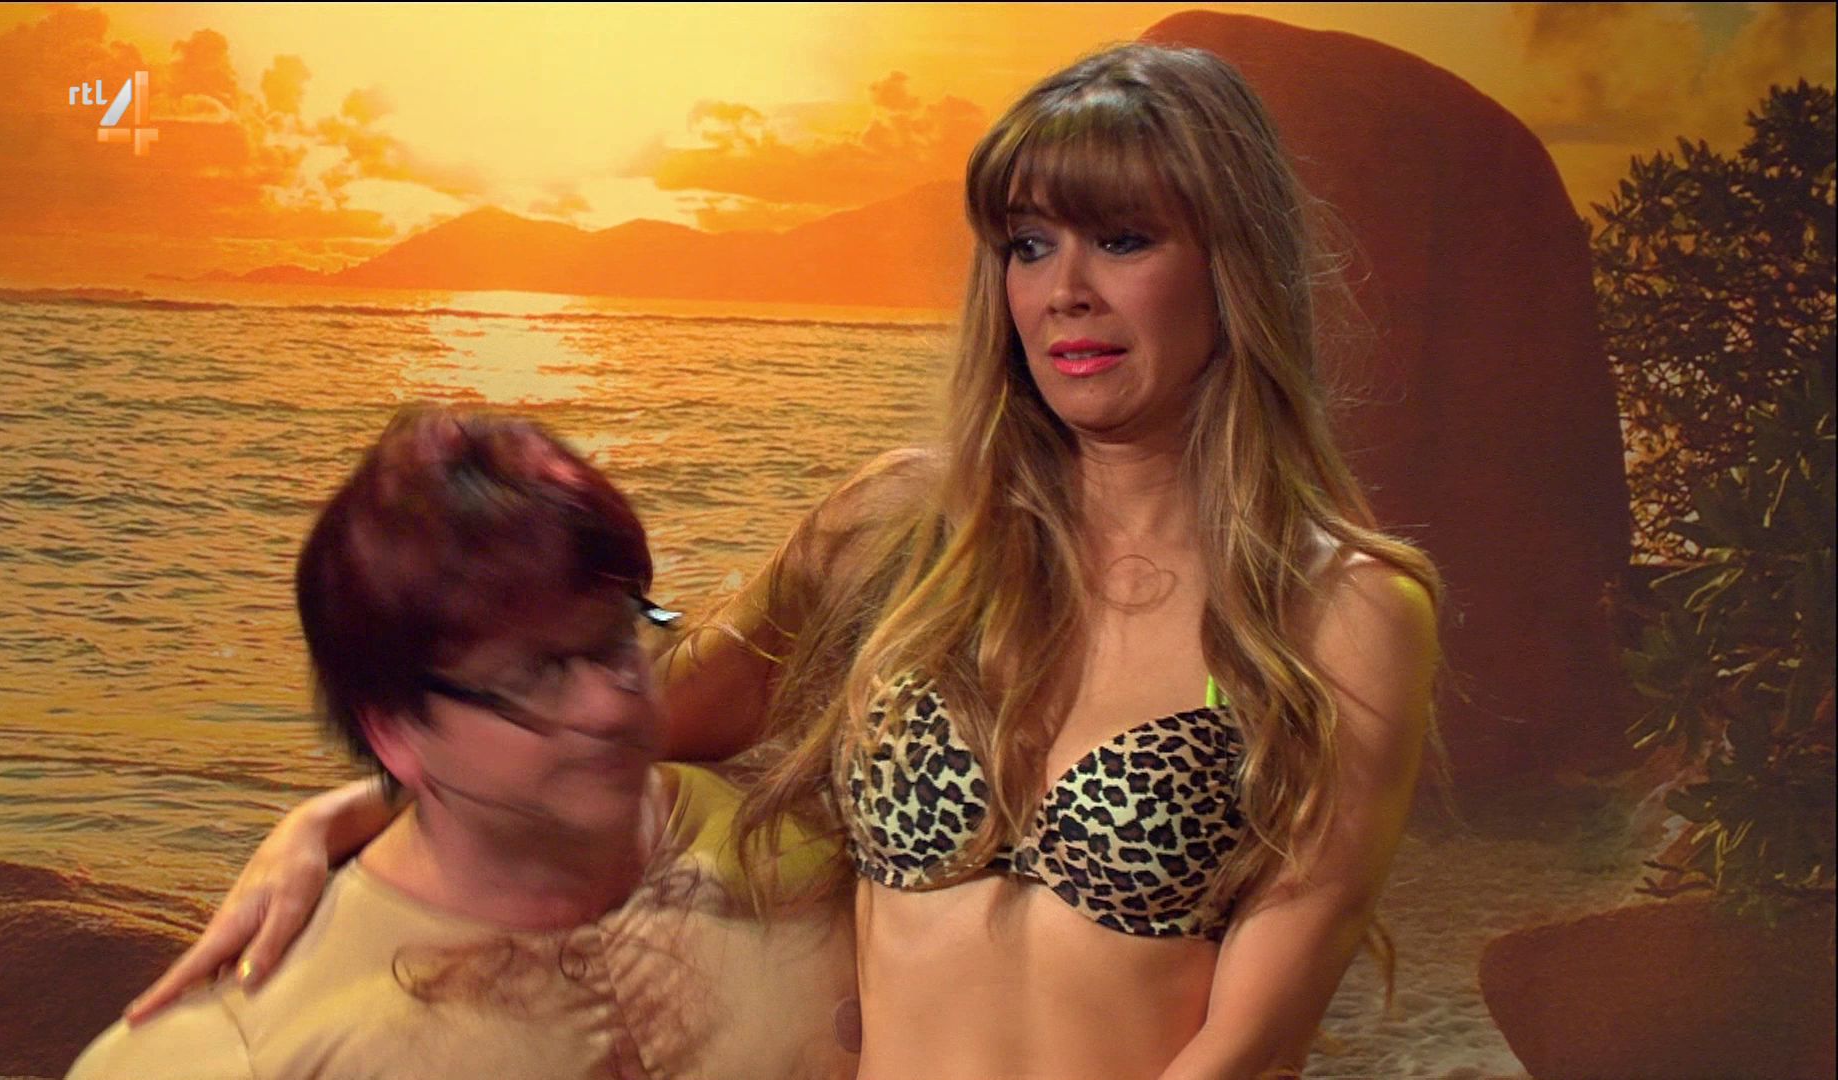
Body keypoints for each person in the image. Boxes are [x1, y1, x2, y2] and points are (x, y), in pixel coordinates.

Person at [129, 43, 1440, 1080]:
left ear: (1234, 267)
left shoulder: (1343, 611)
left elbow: (1254, 1037)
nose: (1065, 292)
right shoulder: (901, 530)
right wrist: (334, 818)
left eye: (1125, 240)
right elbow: (624, 724)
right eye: (1030, 246)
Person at [73, 408, 856, 1080]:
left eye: (616, 636)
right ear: (393, 730)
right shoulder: (251, 1052)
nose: (608, 700)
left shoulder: (800, 835)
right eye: (533, 676)